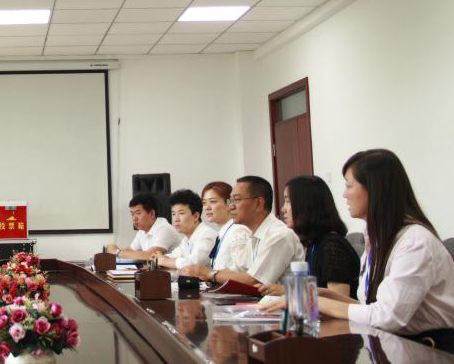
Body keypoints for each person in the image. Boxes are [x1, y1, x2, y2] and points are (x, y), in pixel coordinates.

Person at [282, 149, 454, 351]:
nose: (344, 194)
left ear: (374, 190)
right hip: (391, 345)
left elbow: (387, 316)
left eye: (349, 185)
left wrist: (313, 302)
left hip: (430, 350)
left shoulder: (415, 242)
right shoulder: (377, 239)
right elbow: (369, 307)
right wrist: (316, 295)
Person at [180, 176, 304, 285]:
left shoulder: (279, 235)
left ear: (258, 204)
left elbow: (253, 280)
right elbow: (237, 271)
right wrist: (205, 273)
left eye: (237, 200)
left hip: (281, 304)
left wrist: (209, 273)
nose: (231, 206)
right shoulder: (252, 234)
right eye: (230, 201)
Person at [258, 176, 360, 298]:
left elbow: (339, 300)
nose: (283, 209)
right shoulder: (310, 243)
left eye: (288, 201)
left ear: (306, 204)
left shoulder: (332, 246)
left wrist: (288, 291)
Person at [152, 189, 217, 269]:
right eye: (173, 214)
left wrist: (162, 261)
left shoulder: (207, 235)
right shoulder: (187, 238)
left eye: (181, 213)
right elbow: (174, 255)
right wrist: (160, 258)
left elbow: (193, 264)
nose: (176, 219)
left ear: (196, 216)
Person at [105, 193, 181, 260]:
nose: (134, 218)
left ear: (152, 213)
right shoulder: (142, 231)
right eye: (132, 214)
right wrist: (112, 253)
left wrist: (117, 252)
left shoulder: (164, 228)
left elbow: (150, 256)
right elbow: (131, 251)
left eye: (138, 213)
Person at [201, 181, 250, 272]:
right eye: (204, 203)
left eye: (213, 201)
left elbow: (241, 271)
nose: (207, 207)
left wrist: (209, 274)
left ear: (229, 204)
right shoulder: (223, 232)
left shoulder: (238, 231)